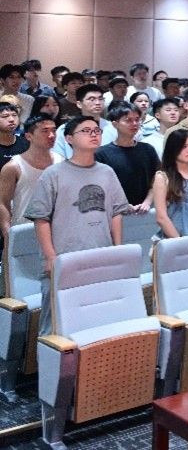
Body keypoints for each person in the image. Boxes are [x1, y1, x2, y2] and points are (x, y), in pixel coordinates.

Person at [24, 115, 131, 334]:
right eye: (86, 131)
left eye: (96, 131)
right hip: (65, 257)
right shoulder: (53, 174)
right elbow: (41, 218)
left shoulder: (107, 172)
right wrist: (50, 257)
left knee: (94, 321)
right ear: (69, 138)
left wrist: (118, 249)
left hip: (100, 256)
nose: (93, 134)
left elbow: (116, 213)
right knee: (54, 326)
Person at [0, 113, 59, 241]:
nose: (51, 135)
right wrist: (8, 234)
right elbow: (3, 203)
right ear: (28, 136)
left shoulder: (62, 161)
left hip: (57, 230)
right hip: (24, 231)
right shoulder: (13, 166)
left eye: (54, 130)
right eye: (45, 131)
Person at [95, 102, 160, 212]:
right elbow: (100, 185)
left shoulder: (148, 149)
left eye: (137, 119)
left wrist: (148, 202)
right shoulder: (101, 153)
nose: (134, 123)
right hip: (114, 211)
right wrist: (121, 204)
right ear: (115, 124)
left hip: (146, 210)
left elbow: (158, 178)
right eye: (128, 120)